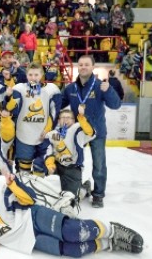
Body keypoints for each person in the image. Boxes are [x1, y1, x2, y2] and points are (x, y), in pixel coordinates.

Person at [0, 164, 144, 256]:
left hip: (30, 217)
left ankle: (113, 229)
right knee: (72, 250)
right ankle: (110, 244)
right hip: (19, 239)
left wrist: (13, 185)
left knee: (73, 231)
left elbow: (29, 198)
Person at [61, 54, 121, 208]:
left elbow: (116, 105)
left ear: (93, 67)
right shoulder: (70, 88)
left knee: (99, 165)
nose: (83, 67)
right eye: (80, 64)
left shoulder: (100, 86)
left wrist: (109, 91)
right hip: (78, 134)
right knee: (74, 163)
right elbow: (58, 104)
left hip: (97, 133)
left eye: (86, 64)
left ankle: (98, 194)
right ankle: (77, 188)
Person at [4, 63, 61, 176]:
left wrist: (47, 130)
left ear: (42, 75)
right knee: (23, 170)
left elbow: (54, 113)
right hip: (24, 133)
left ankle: (41, 188)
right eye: (30, 74)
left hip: (43, 134)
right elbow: (10, 108)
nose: (33, 77)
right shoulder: (19, 88)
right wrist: (8, 97)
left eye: (36, 74)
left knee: (43, 166)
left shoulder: (51, 89)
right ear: (26, 75)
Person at [45, 106, 95, 202]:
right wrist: (49, 165)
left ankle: (84, 188)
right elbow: (48, 151)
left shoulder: (78, 130)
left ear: (73, 120)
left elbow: (90, 132)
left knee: (70, 200)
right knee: (38, 167)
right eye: (63, 118)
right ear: (59, 121)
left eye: (69, 118)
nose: (65, 120)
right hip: (58, 165)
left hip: (73, 168)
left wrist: (81, 117)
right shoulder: (53, 134)